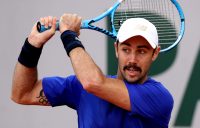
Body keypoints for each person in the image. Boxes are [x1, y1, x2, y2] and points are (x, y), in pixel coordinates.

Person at [11, 13, 174, 128]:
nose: (132, 59)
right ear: (116, 49)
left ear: (155, 53)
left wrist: (69, 35)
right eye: (126, 49)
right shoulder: (79, 87)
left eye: (142, 51)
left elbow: (92, 83)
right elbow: (22, 94)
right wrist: (32, 45)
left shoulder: (160, 97)